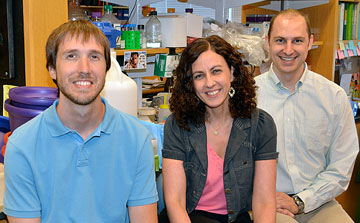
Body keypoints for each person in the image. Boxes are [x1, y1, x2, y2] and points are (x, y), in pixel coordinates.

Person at [3, 20, 158, 223]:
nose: (84, 68)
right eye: (71, 56)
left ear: (106, 69)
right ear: (52, 69)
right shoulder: (22, 146)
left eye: (94, 56)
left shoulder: (137, 139)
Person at [255, 9, 359, 223]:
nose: (288, 49)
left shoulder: (333, 97)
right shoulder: (249, 96)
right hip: (266, 202)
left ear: (310, 42)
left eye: (298, 41)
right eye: (280, 40)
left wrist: (302, 201)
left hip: (318, 202)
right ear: (267, 42)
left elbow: (341, 166)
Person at [162, 35, 278, 223]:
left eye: (216, 71)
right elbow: (175, 202)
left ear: (232, 72)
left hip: (237, 218)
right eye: (199, 76)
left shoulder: (261, 125)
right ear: (190, 83)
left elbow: (264, 202)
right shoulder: (178, 125)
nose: (209, 83)